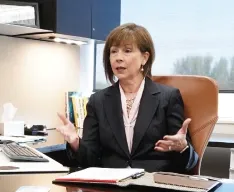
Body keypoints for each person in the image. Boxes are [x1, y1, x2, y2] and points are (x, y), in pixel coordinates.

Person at [57, 23, 198, 173]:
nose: (118, 58)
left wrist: (183, 148)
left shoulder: (168, 97)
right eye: (114, 51)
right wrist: (75, 142)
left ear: (145, 57)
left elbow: (186, 162)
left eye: (127, 51)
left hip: (153, 187)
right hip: (111, 186)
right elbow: (90, 160)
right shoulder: (98, 101)